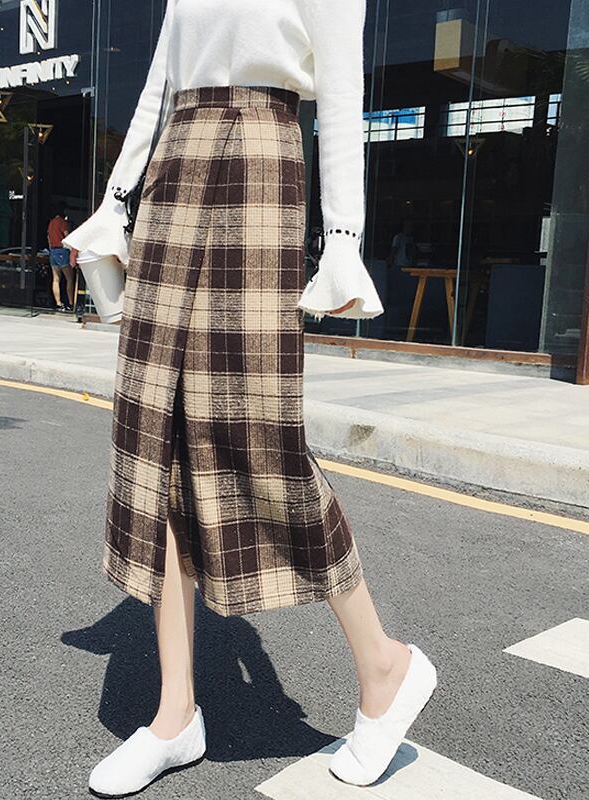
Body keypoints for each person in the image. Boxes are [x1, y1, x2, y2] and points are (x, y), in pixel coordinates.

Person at [64, 1, 437, 796]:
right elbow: (160, 84)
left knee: (258, 435)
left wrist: (343, 239)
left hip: (260, 165)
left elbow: (342, 91)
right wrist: (117, 198)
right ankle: (175, 714)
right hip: (173, 170)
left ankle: (384, 663)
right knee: (154, 437)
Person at [47, 208, 74, 311]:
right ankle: (71, 303)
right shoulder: (62, 222)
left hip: (53, 251)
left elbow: (48, 238)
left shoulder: (51, 223)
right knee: (69, 278)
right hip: (62, 250)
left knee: (56, 279)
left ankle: (58, 303)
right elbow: (67, 237)